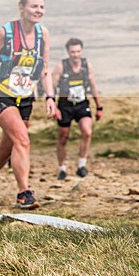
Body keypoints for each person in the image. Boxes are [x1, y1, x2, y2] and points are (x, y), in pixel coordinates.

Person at [0, 0, 58, 209]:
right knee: (22, 139)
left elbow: (44, 68)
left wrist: (50, 97)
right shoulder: (6, 33)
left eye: (41, 7)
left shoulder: (43, 35)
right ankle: (24, 193)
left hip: (25, 96)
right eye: (33, 6)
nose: (38, 10)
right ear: (22, 8)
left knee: (7, 148)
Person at [52, 38, 103, 180]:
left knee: (87, 132)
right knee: (63, 137)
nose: (75, 55)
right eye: (73, 52)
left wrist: (99, 106)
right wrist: (53, 106)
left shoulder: (87, 66)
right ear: (68, 52)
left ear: (82, 51)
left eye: (78, 51)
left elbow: (93, 86)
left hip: (82, 104)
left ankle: (82, 165)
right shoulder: (61, 66)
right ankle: (61, 168)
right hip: (65, 105)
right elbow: (52, 87)